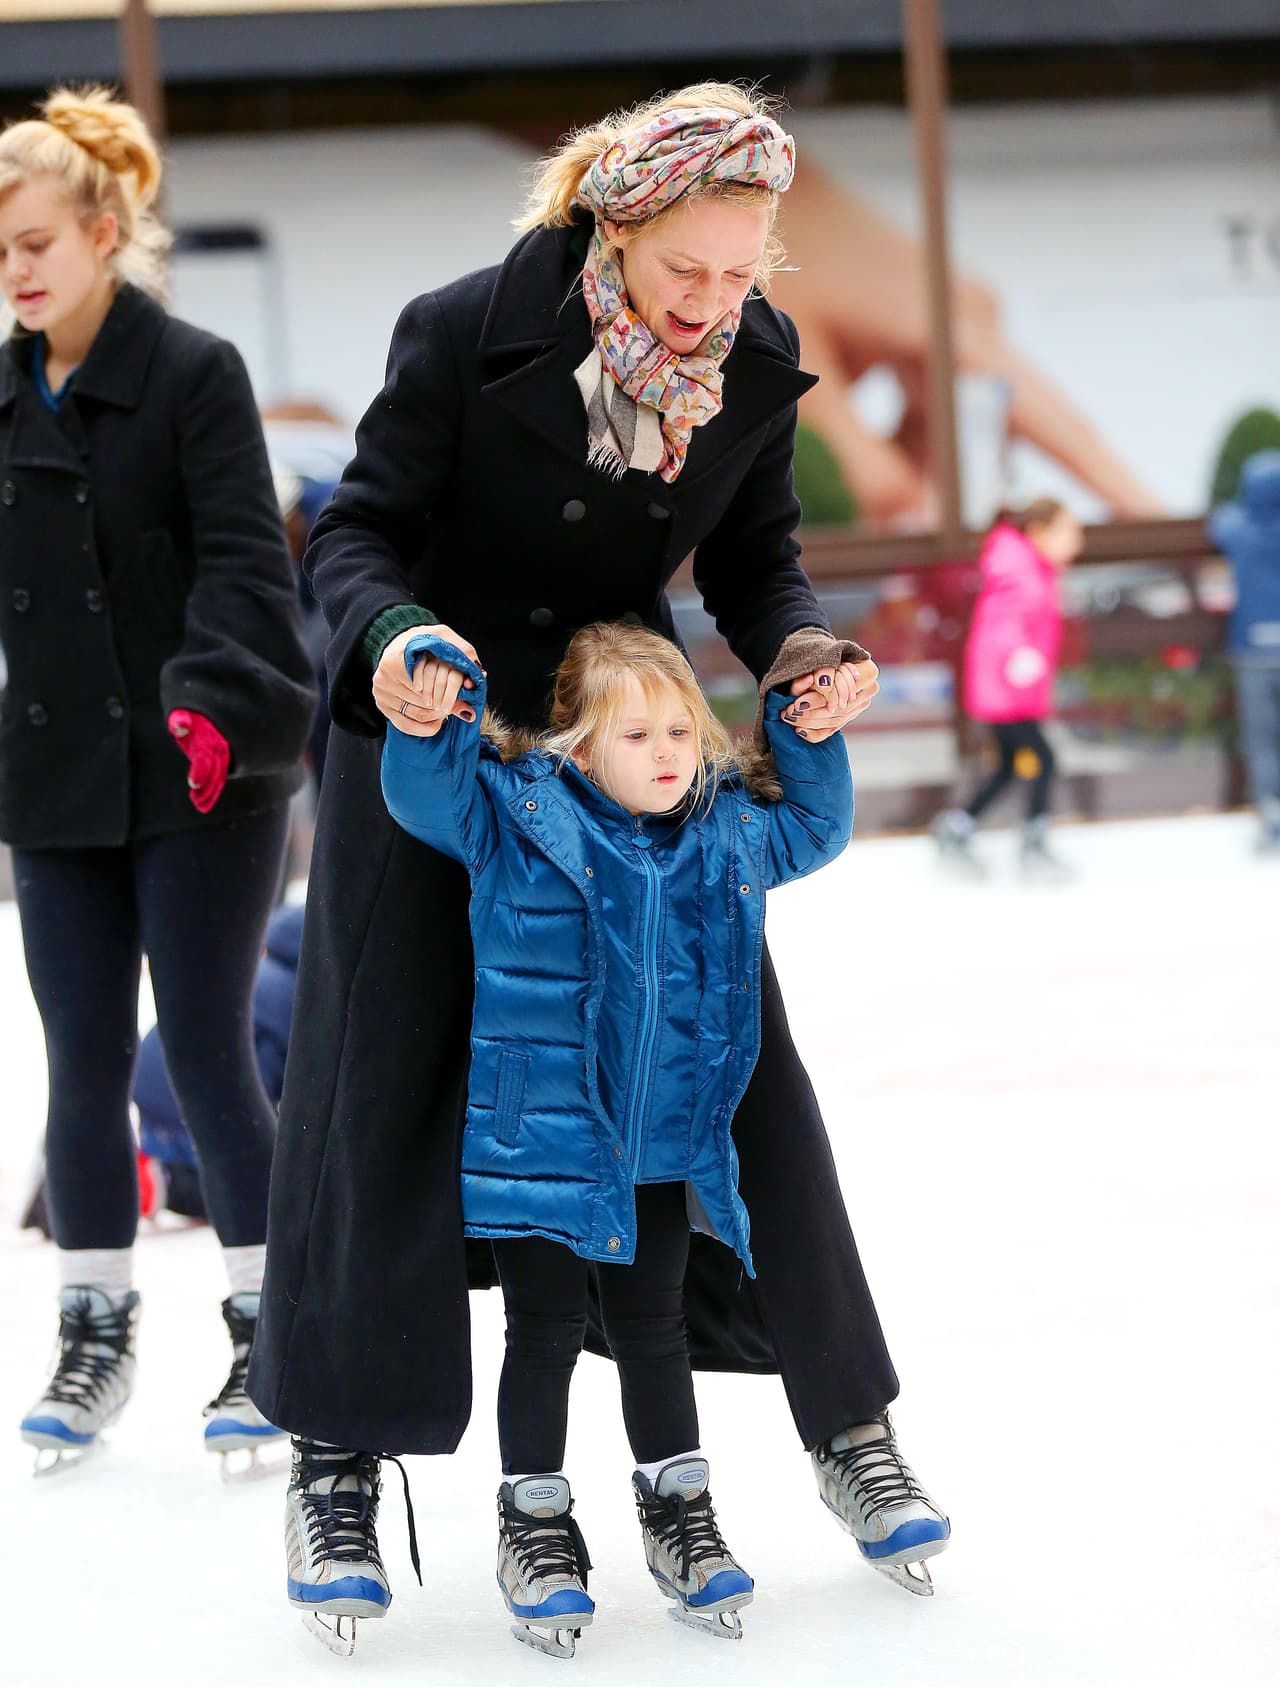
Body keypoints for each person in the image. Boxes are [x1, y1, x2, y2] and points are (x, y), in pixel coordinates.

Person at [250, 85, 949, 1648]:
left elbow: (758, 561)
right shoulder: (461, 330)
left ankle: (849, 1424)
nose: (714, 306)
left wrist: (805, 657)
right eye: (686, 272)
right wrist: (394, 643)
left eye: (741, 272)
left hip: (625, 751)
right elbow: (351, 536)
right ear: (613, 228)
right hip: (433, 734)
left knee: (735, 1061)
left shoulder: (752, 361)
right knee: (382, 1076)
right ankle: (336, 1454)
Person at [381, 622, 856, 1652]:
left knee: (654, 1330)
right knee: (541, 1331)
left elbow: (814, 828)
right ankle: (533, 1519)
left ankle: (676, 1508)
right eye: (635, 732)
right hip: (539, 1137)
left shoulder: (725, 836)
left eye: (681, 727)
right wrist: (429, 719)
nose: (667, 750)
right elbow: (427, 796)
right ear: (579, 746)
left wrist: (803, 732)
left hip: (659, 1143)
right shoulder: (519, 820)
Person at [0, 87, 316, 1471]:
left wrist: (212, 705)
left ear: (104, 231)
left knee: (200, 1046)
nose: (13, 271)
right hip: (59, 776)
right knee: (76, 1057)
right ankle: (95, 1328)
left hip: (201, 774)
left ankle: (267, 1322)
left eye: (29, 243)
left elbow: (253, 563)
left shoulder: (193, 373)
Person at [931, 498, 1084, 879]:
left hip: (1015, 690)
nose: (1076, 541)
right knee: (1043, 760)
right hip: (1006, 692)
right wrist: (1018, 656)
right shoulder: (1018, 568)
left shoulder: (1033, 567)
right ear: (1038, 532)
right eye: (1067, 531)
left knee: (1008, 768)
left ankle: (957, 828)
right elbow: (1003, 622)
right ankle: (1032, 848)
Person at [1208, 450, 1280, 853]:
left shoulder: (1240, 528)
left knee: (1262, 740)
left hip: (1253, 651)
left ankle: (1270, 818)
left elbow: (1217, 522)